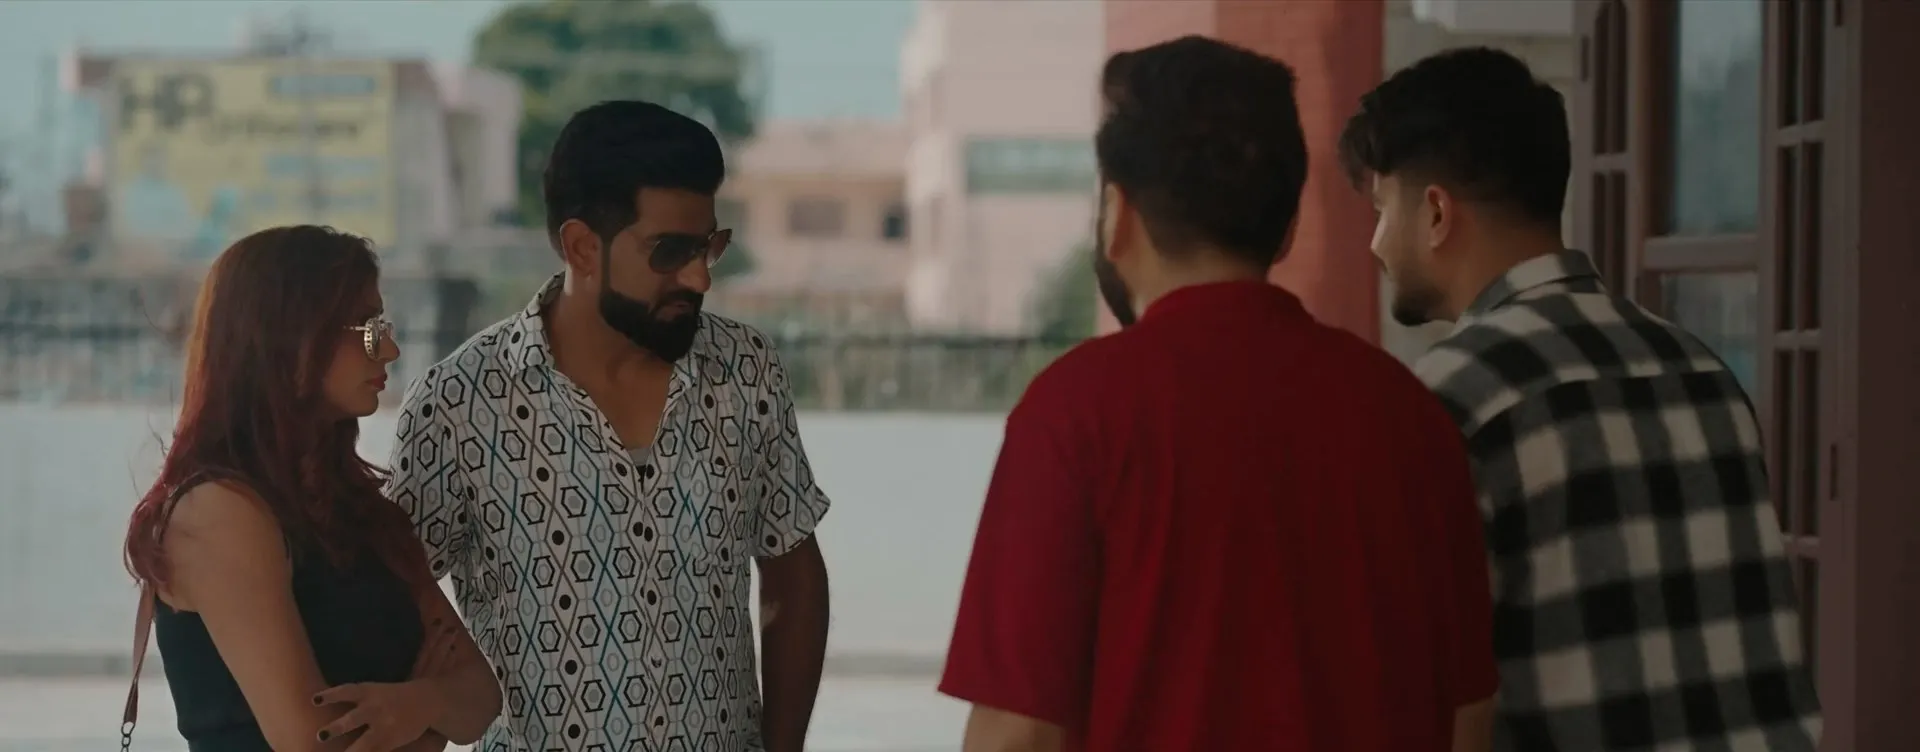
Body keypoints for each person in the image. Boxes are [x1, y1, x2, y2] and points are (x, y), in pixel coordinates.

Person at [939, 35, 1499, 752]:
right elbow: (1467, 717)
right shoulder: (1410, 415)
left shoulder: (1072, 415)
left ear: (1118, 214)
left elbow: (1016, 734)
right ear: (1288, 227)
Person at [1339, 46, 1822, 750]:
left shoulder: (1443, 402)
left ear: (1437, 212)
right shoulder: (1701, 371)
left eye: (1381, 208)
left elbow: (1425, 693)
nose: (1376, 244)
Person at [388, 100, 831, 751]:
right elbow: (391, 608)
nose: (699, 277)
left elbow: (793, 574)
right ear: (581, 247)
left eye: (709, 246)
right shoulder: (459, 404)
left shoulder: (745, 370)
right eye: (670, 252)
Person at [121, 225, 503, 751]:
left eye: (382, 325)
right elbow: (313, 743)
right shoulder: (219, 511)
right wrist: (429, 725)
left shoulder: (357, 507)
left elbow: (481, 696)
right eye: (366, 326)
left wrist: (420, 703)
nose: (388, 349)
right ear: (289, 335)